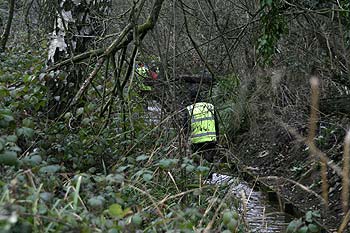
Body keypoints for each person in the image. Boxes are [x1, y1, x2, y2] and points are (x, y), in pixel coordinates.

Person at [184, 90, 219, 163]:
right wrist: (217, 139)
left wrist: (186, 141)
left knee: (198, 164)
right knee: (209, 163)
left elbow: (185, 128)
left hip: (197, 143)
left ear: (190, 99)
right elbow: (216, 124)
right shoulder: (210, 106)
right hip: (211, 140)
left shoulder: (189, 109)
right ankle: (210, 173)